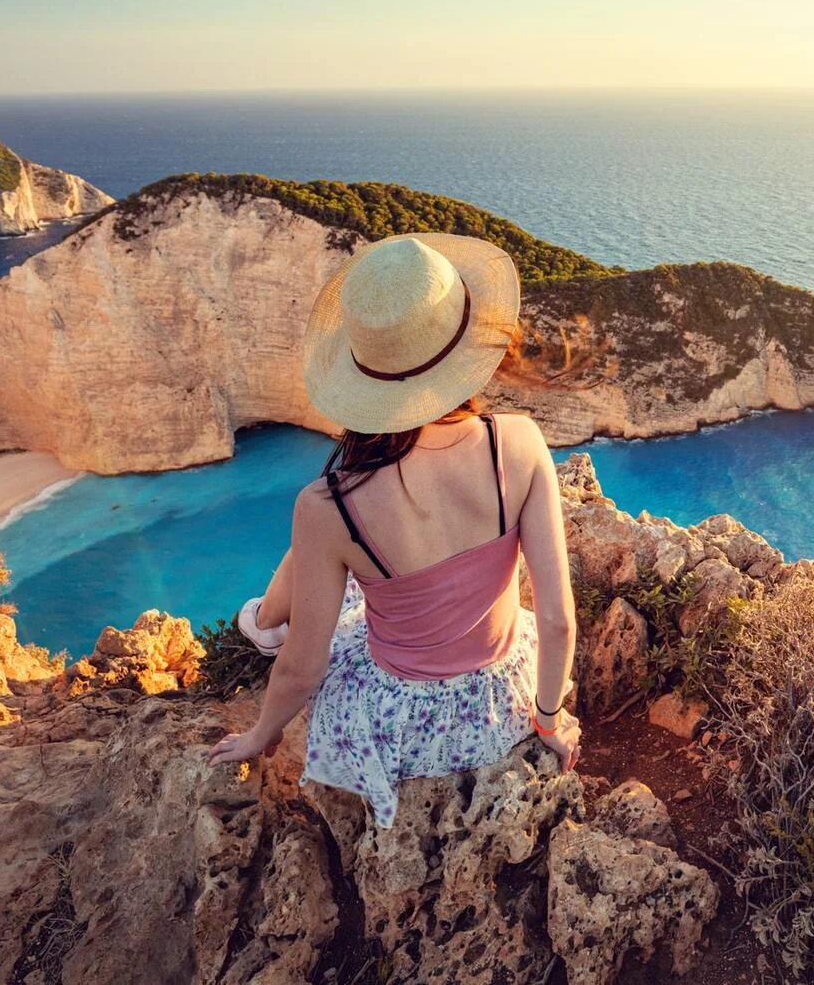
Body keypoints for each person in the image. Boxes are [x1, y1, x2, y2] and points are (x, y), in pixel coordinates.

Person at [208, 232, 580, 826]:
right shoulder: (518, 441)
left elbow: (304, 671)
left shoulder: (329, 504)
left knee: (326, 555)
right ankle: (265, 619)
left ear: (364, 377)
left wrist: (261, 734)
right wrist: (547, 718)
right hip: (496, 701)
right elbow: (558, 618)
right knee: (335, 558)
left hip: (399, 724)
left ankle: (264, 620)